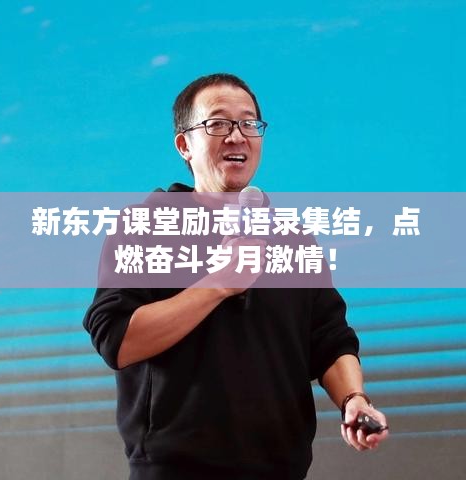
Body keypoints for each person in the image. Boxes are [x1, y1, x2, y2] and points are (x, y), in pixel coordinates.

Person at [83, 73, 388, 480]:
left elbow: (329, 337)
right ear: (184, 145)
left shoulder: (293, 239)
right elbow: (117, 340)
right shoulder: (145, 227)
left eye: (249, 123)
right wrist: (218, 283)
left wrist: (353, 399)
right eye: (218, 124)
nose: (237, 136)